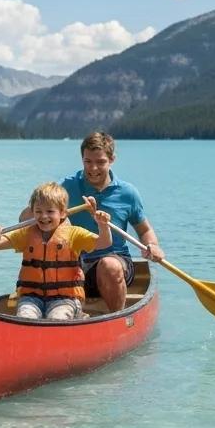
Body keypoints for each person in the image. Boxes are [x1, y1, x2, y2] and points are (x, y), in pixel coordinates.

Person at [58, 131, 165, 313]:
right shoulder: (66, 187)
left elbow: (144, 230)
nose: (93, 168)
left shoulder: (127, 193)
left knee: (109, 265)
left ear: (112, 159)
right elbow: (34, 213)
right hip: (76, 263)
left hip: (115, 261)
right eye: (88, 162)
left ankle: (116, 318)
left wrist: (153, 246)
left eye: (100, 162)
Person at [0, 183, 111, 320]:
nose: (44, 216)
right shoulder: (26, 234)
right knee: (26, 317)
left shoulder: (74, 234)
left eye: (50, 211)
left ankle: (75, 317)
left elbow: (104, 243)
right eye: (38, 211)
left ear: (63, 213)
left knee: (57, 318)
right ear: (33, 212)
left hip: (65, 299)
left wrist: (103, 226)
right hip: (31, 298)